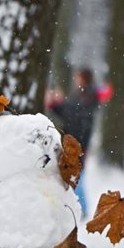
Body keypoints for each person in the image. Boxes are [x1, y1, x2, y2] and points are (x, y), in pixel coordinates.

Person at [46, 67, 100, 216]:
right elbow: (70, 112)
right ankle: (81, 208)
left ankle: (83, 209)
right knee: (75, 175)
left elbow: (73, 113)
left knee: (77, 175)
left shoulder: (88, 95)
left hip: (79, 142)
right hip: (76, 141)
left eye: (78, 77)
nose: (76, 80)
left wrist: (57, 104)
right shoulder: (83, 94)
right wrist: (57, 104)